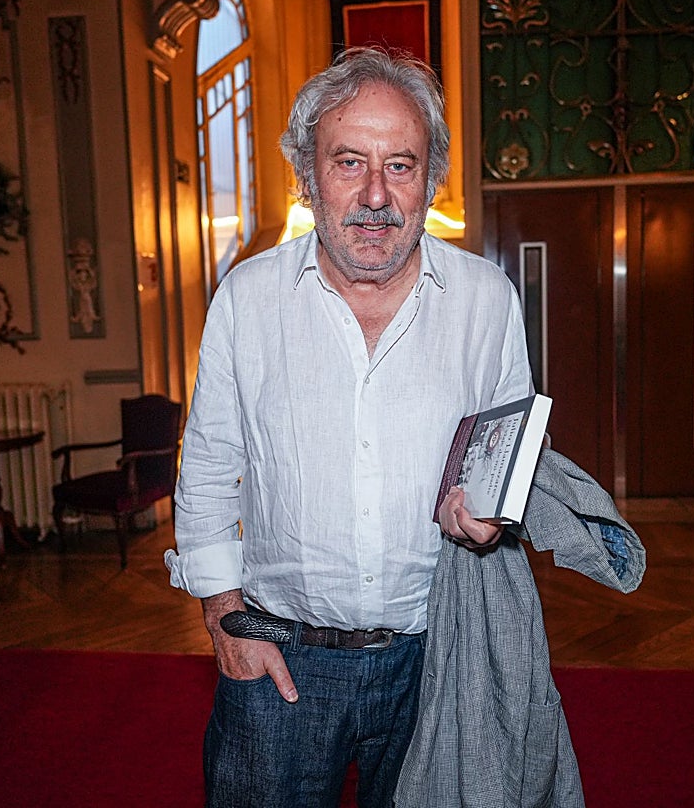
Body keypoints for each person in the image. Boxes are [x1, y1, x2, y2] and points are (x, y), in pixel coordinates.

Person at [164, 46, 532, 807]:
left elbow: (513, 441)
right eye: (348, 162)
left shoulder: (486, 298)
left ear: (431, 180)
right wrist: (223, 616)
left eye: (400, 165)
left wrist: (495, 508)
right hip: (278, 661)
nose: (375, 195)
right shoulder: (247, 298)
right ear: (307, 174)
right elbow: (207, 464)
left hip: (438, 657)